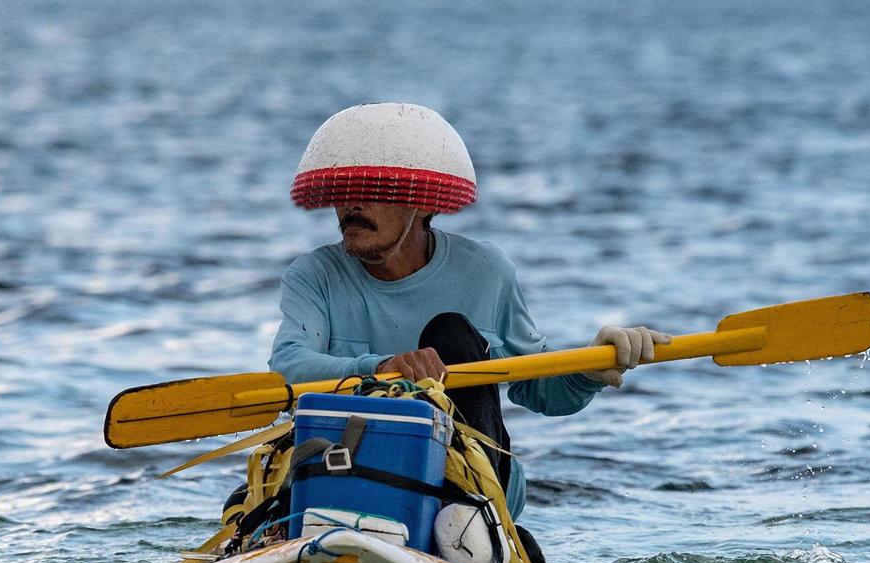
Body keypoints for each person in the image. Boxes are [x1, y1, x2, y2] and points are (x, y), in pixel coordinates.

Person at [270, 102, 668, 521]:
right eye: (342, 191)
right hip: (349, 468)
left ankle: (466, 519)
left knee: (452, 333)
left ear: (421, 205)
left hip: (469, 486)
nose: (350, 205)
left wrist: (591, 368)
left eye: (371, 191)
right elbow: (288, 369)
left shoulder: (485, 271)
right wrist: (385, 366)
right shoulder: (313, 274)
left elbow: (538, 388)